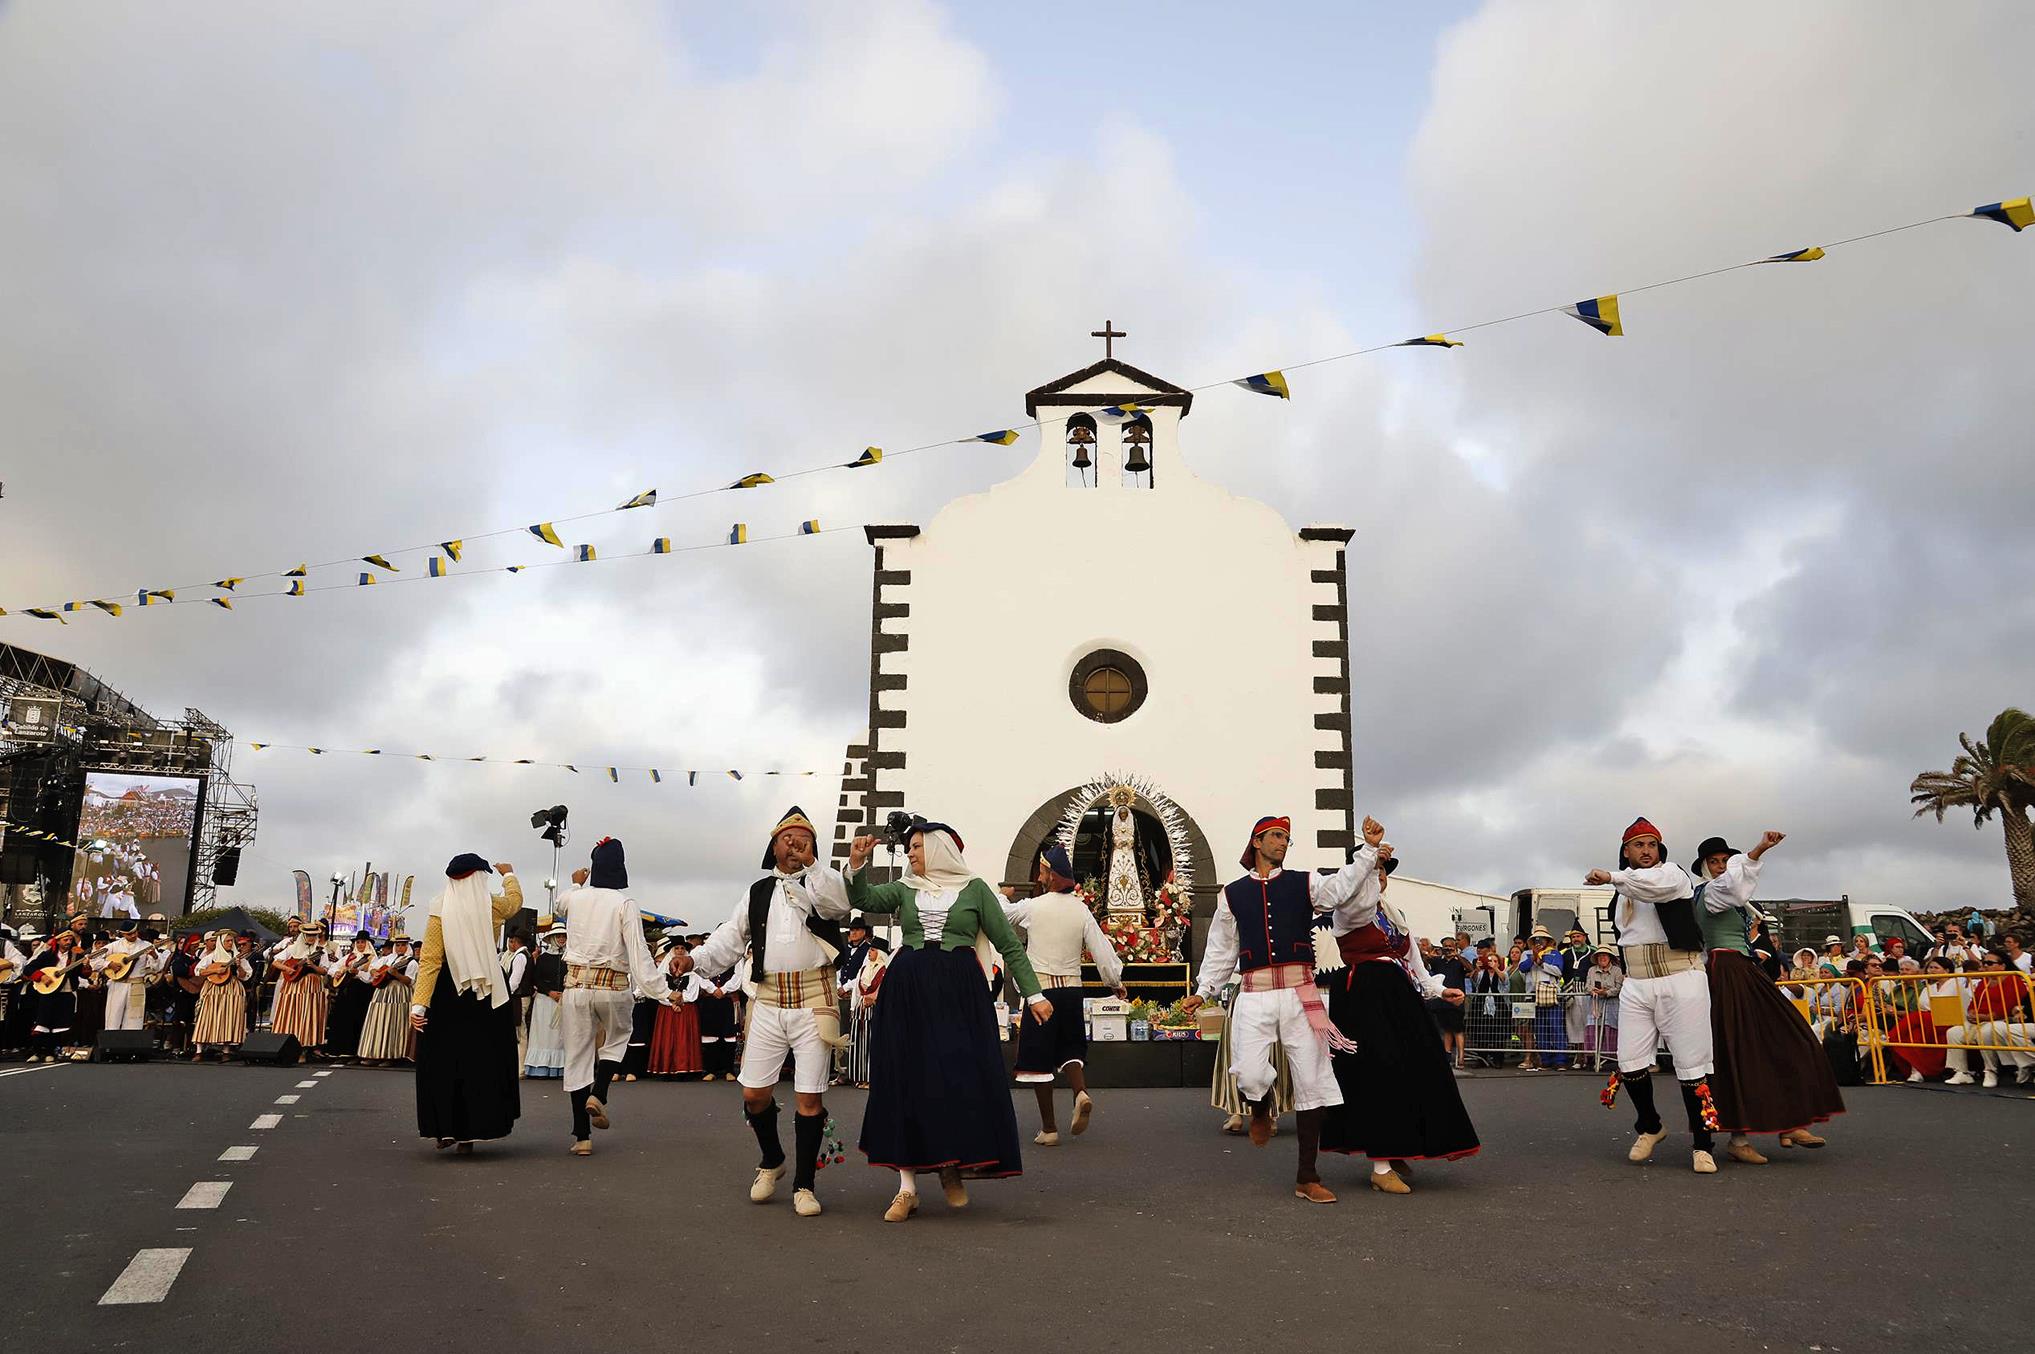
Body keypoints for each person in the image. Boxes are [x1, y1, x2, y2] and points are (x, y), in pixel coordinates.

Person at [839, 820, 1049, 1222]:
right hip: (908, 987)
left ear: (937, 849)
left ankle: (952, 1164)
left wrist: (1034, 994)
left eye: (917, 847)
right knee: (905, 1077)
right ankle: (907, 1187)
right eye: (910, 847)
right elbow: (864, 896)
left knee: (958, 1075)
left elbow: (1007, 944)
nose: (911, 853)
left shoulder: (975, 890)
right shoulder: (904, 888)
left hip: (959, 990)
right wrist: (857, 863)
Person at [1178, 814, 1386, 1205]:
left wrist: (1369, 851)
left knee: (1313, 1081)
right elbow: (1222, 949)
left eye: (1286, 838)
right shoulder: (1232, 894)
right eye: (1275, 836)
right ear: (1256, 841)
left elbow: (1341, 888)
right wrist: (1204, 991)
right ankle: (1259, 1107)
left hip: (1299, 992)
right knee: (1250, 1073)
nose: (1282, 843)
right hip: (1253, 994)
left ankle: (1307, 1176)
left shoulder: (1304, 883)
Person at [676, 810, 852, 1215]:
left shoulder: (821, 884)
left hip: (814, 1000)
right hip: (768, 1000)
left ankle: (804, 1185)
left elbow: (839, 905)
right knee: (754, 1094)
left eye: (803, 838)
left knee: (809, 1098)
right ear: (773, 846)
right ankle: (772, 1159)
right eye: (787, 838)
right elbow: (730, 939)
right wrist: (696, 960)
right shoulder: (757, 891)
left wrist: (812, 866)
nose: (794, 844)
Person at [1315, 826, 1480, 1195]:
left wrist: (1439, 989)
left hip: (1397, 994)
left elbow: (1413, 960)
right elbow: (1360, 898)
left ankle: (1402, 1144)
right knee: (1380, 1071)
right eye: (1376, 870)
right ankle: (1381, 1163)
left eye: (1385, 871)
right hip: (1364, 995)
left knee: (1417, 1068)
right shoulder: (1350, 909)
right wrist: (1370, 856)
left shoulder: (1392, 914)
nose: (1381, 877)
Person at [1694, 831, 1840, 1164]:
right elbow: (1732, 883)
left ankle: (1790, 1122)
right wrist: (1759, 849)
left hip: (1744, 971)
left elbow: (1738, 884)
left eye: (1724, 861)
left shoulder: (1735, 897)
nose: (1720, 867)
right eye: (1713, 862)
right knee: (1736, 1055)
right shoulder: (1709, 893)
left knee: (1790, 1039)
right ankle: (1738, 1137)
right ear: (1704, 867)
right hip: (1724, 972)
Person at [1586, 817, 1718, 1174]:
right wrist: (1616, 881)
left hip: (1680, 976)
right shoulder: (1623, 890)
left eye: (1652, 845)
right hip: (1638, 982)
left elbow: (1652, 887)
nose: (1647, 851)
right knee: (1629, 1062)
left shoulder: (1672, 874)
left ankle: (1703, 1144)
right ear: (1626, 851)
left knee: (1691, 1066)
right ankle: (1651, 1125)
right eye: (1639, 845)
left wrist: (1612, 876)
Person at [552, 839, 680, 1159]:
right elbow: (638, 954)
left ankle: (582, 1137)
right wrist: (664, 993)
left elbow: (559, 903)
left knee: (578, 1057)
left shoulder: (575, 899)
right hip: (613, 986)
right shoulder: (625, 904)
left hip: (577, 986)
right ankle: (601, 1092)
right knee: (619, 1036)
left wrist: (576, 882)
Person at [1000, 844, 1127, 1146]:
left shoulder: (1034, 906)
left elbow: (1003, 915)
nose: (1039, 875)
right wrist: (1114, 982)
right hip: (1072, 990)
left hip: (1040, 993)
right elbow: (1101, 949)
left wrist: (1000, 895)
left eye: (1043, 870)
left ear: (1050, 875)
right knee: (1070, 1049)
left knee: (1039, 1063)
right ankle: (1080, 1092)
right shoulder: (1081, 909)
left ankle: (1049, 1128)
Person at [409, 856, 524, 1153]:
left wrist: (419, 1004)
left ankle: (444, 1127)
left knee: (444, 1062)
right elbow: (515, 903)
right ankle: (471, 1134)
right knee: (483, 1062)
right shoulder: (490, 906)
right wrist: (509, 875)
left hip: (448, 991)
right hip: (485, 990)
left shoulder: (438, 909)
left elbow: (431, 959)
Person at [1946, 952, 2035, 1087]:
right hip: (1978, 1020)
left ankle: (1991, 1071)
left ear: (2002, 966)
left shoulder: (2013, 980)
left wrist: (1986, 1017)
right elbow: (1974, 1002)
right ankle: (1961, 1072)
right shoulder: (1984, 981)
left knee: (1988, 1031)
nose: (1985, 966)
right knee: (1953, 1032)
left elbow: (2008, 1005)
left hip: (2000, 1020)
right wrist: (1971, 1013)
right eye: (1984, 962)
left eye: (1989, 963)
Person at [270, 922, 330, 1058]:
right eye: (309, 935)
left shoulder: (321, 951)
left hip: (312, 986)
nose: (311, 938)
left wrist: (313, 966)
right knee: (290, 1013)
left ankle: (305, 1046)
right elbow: (275, 961)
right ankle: (286, 1043)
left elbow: (324, 971)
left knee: (308, 1014)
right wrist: (287, 969)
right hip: (292, 985)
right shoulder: (292, 949)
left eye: (314, 935)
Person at [26, 930, 87, 1061]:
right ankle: (37, 1052)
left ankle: (52, 1052)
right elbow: (29, 968)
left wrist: (86, 965)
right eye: (65, 940)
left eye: (70, 940)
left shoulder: (75, 956)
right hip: (49, 992)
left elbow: (83, 974)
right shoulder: (47, 955)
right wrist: (42, 977)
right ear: (58, 940)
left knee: (61, 1023)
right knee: (43, 1021)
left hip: (66, 992)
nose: (68, 942)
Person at [359, 934, 419, 1066]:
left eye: (403, 945)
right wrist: (374, 973)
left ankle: (392, 1055)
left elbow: (410, 981)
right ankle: (374, 1054)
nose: (400, 948)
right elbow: (372, 967)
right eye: (397, 945)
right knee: (377, 1021)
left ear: (407, 946)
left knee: (395, 1023)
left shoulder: (411, 962)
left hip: (399, 993)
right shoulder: (388, 958)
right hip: (382, 992)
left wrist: (397, 975)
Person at [647, 939, 704, 1077]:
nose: (679, 951)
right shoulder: (662, 973)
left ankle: (685, 1068)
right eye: (676, 948)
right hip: (667, 1009)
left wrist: (679, 1001)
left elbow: (693, 992)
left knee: (684, 1039)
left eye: (682, 948)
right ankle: (666, 1067)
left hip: (686, 1009)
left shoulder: (692, 973)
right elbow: (659, 990)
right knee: (667, 1039)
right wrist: (671, 1002)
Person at [191, 930, 252, 1058]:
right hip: (213, 989)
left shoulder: (238, 957)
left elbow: (245, 976)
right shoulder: (212, 957)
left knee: (228, 1018)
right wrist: (215, 970)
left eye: (231, 941)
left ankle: (226, 1050)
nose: (230, 943)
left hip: (232, 989)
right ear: (221, 942)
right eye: (227, 941)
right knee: (207, 1017)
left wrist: (239, 967)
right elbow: (198, 971)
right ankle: (199, 1050)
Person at [93, 918, 159, 1034]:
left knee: (134, 1019)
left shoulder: (146, 945)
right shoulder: (114, 946)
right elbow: (94, 961)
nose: (133, 935)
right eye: (129, 934)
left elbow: (157, 968)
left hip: (137, 985)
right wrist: (109, 964)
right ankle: (111, 1047)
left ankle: (130, 1048)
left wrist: (154, 956)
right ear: (123, 934)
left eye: (135, 932)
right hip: (118, 985)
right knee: (113, 1017)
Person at [840, 934, 888, 1088]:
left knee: (871, 1044)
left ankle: (871, 1077)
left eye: (873, 950)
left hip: (874, 1011)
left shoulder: (885, 970)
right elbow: (857, 992)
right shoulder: (864, 969)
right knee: (859, 1044)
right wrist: (854, 1008)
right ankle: (860, 1076)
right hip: (860, 1010)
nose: (869, 953)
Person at [1519, 926, 1569, 1069]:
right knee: (1540, 1029)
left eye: (1541, 939)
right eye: (1535, 939)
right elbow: (1522, 968)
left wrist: (1541, 963)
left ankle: (1560, 1060)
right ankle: (1545, 1059)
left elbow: (1558, 971)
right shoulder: (1527, 954)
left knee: (1556, 1028)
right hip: (1534, 995)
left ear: (1547, 940)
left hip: (1550, 994)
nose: (1538, 942)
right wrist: (1534, 957)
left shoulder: (1555, 954)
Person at [325, 931, 379, 1061]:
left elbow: (371, 978)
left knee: (357, 1021)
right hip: (346, 992)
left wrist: (358, 973)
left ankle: (353, 1050)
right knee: (341, 1019)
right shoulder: (349, 957)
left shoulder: (372, 958)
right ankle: (339, 1049)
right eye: (358, 942)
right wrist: (337, 973)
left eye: (362, 942)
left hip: (362, 993)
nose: (360, 944)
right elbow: (332, 967)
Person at [523, 924, 567, 1079]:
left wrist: (564, 993)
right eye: (559, 936)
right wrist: (549, 992)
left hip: (563, 999)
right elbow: (536, 978)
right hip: (545, 1000)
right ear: (553, 938)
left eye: (564, 936)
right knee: (543, 1033)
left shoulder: (570, 957)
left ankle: (559, 1068)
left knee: (559, 1035)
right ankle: (540, 1067)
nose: (561, 939)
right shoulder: (543, 958)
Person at [1582, 947, 1622, 1067]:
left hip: (1612, 1005)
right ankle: (1594, 1058)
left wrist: (1606, 992)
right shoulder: (1591, 970)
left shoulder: (1617, 971)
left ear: (1610, 958)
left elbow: (1619, 988)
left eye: (1605, 955)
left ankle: (1612, 1057)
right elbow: (1587, 986)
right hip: (1596, 1004)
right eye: (1600, 956)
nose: (1602, 958)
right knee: (1595, 1028)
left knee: (1612, 1028)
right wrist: (1592, 991)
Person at [501, 929, 533, 1075]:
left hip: (519, 998)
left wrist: (507, 994)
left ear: (515, 941)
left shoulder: (520, 957)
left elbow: (514, 981)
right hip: (521, 997)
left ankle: (520, 1067)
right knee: (520, 1030)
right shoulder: (525, 955)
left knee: (520, 1032)